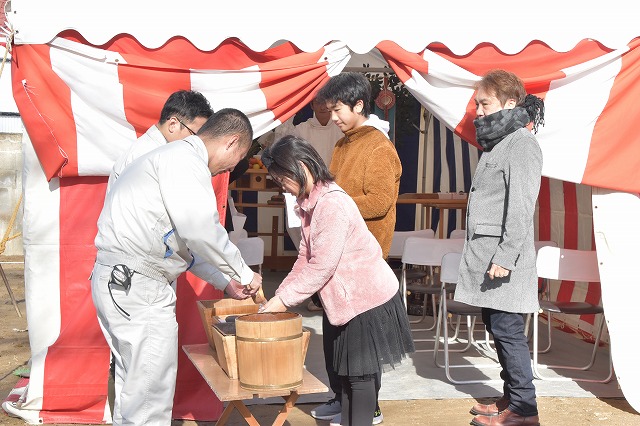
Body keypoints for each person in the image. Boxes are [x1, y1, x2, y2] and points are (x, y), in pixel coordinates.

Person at [91, 108, 263, 425]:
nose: (228, 169)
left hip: (125, 281)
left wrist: (226, 281)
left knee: (136, 387)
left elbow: (184, 246)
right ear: (232, 142)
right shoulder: (185, 161)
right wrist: (244, 272)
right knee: (149, 392)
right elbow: (201, 230)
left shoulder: (171, 159)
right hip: (136, 285)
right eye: (236, 160)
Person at [258, 135, 414, 426]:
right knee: (347, 373)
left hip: (366, 299)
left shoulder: (331, 204)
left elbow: (322, 265)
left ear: (301, 168)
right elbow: (306, 255)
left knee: (360, 376)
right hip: (345, 299)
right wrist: (280, 295)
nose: (284, 189)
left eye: (284, 181)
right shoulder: (310, 202)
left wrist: (284, 300)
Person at [310, 72, 402, 425]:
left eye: (337, 110)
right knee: (335, 334)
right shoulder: (342, 144)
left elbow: (379, 202)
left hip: (364, 261)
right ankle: (340, 396)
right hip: (338, 256)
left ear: (359, 105)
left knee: (360, 343)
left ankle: (369, 406)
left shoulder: (379, 146)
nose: (332, 118)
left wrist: (332, 202)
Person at [453, 69, 544, 426]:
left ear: (509, 103)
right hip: (489, 256)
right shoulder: (501, 142)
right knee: (496, 324)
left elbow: (521, 205)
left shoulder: (521, 143)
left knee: (507, 329)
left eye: (484, 103)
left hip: (504, 258)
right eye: (477, 103)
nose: (478, 110)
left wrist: (505, 257)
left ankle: (524, 409)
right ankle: (511, 397)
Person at [274, 96, 344, 311]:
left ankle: (332, 293)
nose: (322, 107)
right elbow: (280, 141)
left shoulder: (340, 129)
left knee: (331, 245)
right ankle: (314, 295)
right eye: (318, 102)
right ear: (312, 105)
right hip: (304, 194)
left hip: (332, 193)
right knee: (306, 244)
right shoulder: (301, 129)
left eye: (327, 103)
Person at [107, 89, 214, 191]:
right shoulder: (148, 156)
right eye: (194, 135)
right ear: (173, 124)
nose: (196, 143)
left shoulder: (155, 151)